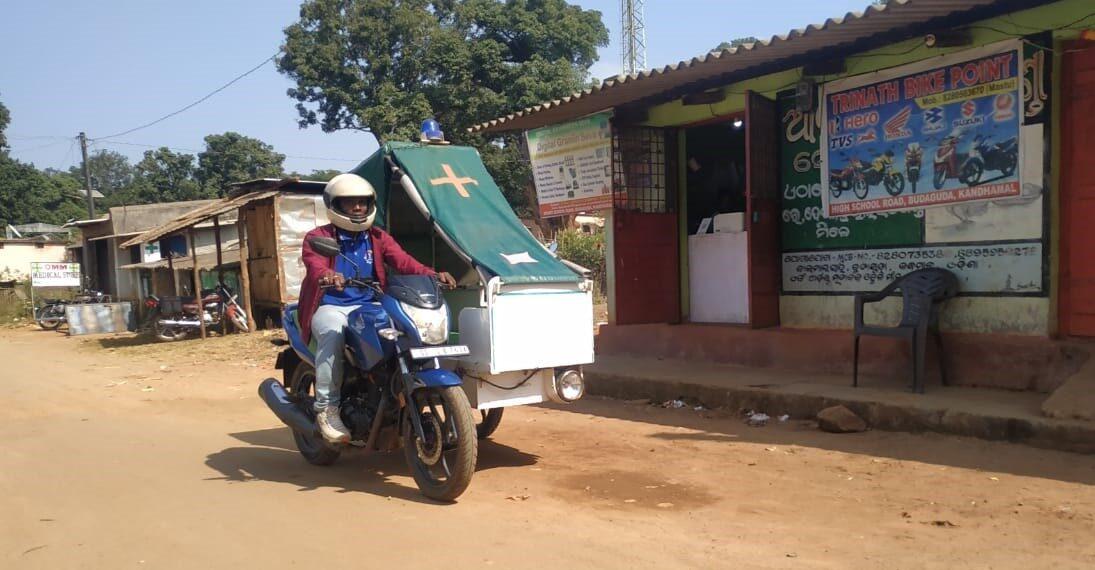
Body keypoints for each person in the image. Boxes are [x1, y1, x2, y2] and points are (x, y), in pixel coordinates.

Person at [299, 173, 456, 443]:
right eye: (350, 203)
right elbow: (315, 265)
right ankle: (327, 408)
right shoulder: (319, 237)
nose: (358, 207)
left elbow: (404, 262)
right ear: (335, 205)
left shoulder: (377, 236)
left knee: (405, 331)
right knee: (332, 334)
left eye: (362, 202)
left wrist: (432, 275)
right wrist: (328, 275)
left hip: (371, 304)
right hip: (333, 306)